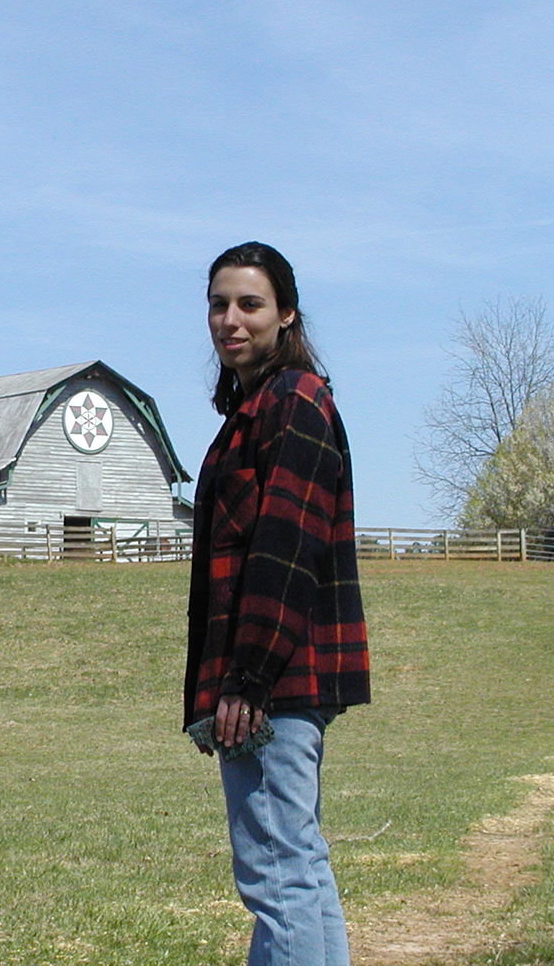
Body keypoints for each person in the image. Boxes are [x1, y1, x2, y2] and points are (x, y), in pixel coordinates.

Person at [184, 241, 371, 966]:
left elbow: (285, 551)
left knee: (275, 870)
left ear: (285, 313)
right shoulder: (261, 408)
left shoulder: (291, 402)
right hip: (277, 679)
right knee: (295, 861)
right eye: (218, 304)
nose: (230, 320)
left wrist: (247, 680)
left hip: (274, 681)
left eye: (249, 304)